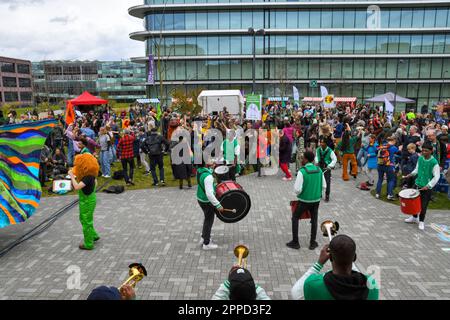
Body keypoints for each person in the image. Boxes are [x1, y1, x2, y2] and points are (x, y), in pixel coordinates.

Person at [291, 235, 379, 300]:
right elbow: (355, 272)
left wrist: (319, 264)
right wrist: (347, 255)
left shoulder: (313, 285)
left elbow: (295, 293)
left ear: (330, 258)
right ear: (355, 257)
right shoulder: (372, 284)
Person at [287, 151, 327, 250]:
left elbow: (297, 189)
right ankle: (312, 242)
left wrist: (300, 194)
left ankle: (295, 242)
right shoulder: (319, 170)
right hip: (316, 200)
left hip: (304, 200)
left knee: (295, 217)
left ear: (306, 159)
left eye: (302, 158)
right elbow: (324, 186)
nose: (301, 160)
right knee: (314, 219)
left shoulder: (302, 171)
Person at [403, 142, 441, 230]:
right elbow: (417, 169)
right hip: (417, 184)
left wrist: (428, 185)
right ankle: (414, 217)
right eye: (423, 150)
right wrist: (410, 174)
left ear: (431, 151)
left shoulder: (434, 162)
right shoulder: (420, 158)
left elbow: (437, 176)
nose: (423, 152)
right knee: (413, 202)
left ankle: (421, 221)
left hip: (426, 188)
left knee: (423, 206)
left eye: (426, 151)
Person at [69, 153, 100, 250]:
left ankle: (88, 243)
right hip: (88, 199)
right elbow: (96, 183)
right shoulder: (91, 175)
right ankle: (93, 235)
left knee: (86, 221)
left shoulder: (88, 177)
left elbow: (77, 187)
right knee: (83, 219)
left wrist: (72, 176)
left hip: (87, 201)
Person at [196, 157, 225, 250]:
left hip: (200, 198)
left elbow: (205, 185)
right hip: (206, 201)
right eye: (212, 163)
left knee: (207, 219)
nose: (214, 163)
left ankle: (204, 237)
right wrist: (218, 205)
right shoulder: (208, 177)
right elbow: (209, 194)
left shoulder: (199, 170)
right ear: (206, 165)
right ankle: (206, 243)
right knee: (209, 220)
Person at [375, 136, 399, 201]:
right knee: (391, 180)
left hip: (380, 164)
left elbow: (376, 152)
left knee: (380, 179)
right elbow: (399, 154)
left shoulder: (382, 146)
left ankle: (377, 193)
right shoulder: (394, 147)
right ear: (393, 141)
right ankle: (389, 194)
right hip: (389, 165)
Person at [315, 138, 337, 202]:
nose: (321, 144)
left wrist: (330, 166)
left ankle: (327, 195)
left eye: (323, 142)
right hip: (319, 167)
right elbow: (316, 156)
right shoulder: (318, 149)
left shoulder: (330, 151)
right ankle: (319, 193)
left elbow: (334, 159)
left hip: (326, 168)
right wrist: (316, 162)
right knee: (319, 181)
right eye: (320, 142)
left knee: (327, 182)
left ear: (326, 143)